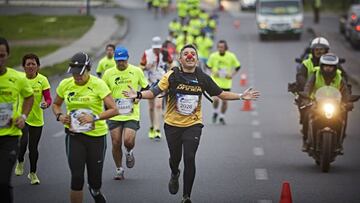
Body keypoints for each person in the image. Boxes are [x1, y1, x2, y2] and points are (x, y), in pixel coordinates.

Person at [123, 44, 259, 203]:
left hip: (193, 125)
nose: (190, 56)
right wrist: (138, 94)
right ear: (180, 60)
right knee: (175, 158)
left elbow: (221, 94)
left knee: (189, 157)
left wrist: (241, 96)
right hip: (172, 125)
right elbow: (154, 92)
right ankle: (175, 173)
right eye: (186, 54)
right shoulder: (171, 76)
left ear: (196, 59)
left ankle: (186, 196)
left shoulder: (202, 78)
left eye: (193, 54)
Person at [52, 52, 118, 203]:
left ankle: (95, 191)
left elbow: (114, 109)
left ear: (88, 69)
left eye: (80, 73)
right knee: (77, 178)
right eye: (74, 73)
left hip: (96, 137)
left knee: (95, 180)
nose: (77, 77)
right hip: (74, 136)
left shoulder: (98, 84)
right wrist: (60, 116)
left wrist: (93, 117)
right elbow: (56, 104)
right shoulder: (65, 84)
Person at [102, 46, 149, 180]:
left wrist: (138, 96)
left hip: (131, 113)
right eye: (118, 61)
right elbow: (103, 93)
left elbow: (147, 88)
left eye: (123, 60)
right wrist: (107, 108)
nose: (120, 63)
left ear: (127, 58)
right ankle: (119, 169)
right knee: (116, 142)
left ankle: (129, 151)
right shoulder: (108, 73)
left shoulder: (136, 71)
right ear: (115, 60)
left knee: (128, 141)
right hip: (114, 113)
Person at [0, 37, 34, 203]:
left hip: (9, 137)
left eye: (1, 55)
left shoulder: (17, 78)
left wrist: (23, 116)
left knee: (3, 182)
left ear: (7, 55)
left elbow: (29, 97)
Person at [14, 54, 52, 185]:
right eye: (28, 64)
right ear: (23, 67)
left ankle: (33, 173)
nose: (30, 66)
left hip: (37, 118)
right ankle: (20, 161)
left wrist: (46, 104)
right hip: (22, 117)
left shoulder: (43, 80)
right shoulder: (19, 79)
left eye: (33, 64)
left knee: (33, 147)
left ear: (38, 66)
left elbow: (48, 98)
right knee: (23, 143)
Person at [302, 53, 350, 152]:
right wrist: (305, 97)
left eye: (331, 66)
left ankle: (340, 142)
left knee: (344, 116)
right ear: (321, 66)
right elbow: (308, 86)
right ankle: (306, 140)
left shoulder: (339, 77)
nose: (328, 68)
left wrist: (348, 102)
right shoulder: (315, 74)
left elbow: (345, 91)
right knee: (306, 115)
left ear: (335, 67)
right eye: (326, 66)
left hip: (335, 104)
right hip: (317, 103)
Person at [140, 36, 173, 140]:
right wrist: (146, 67)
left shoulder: (165, 53)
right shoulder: (147, 53)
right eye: (155, 48)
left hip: (161, 82)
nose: (157, 50)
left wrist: (169, 72)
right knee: (151, 107)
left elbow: (171, 63)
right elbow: (140, 67)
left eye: (158, 48)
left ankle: (157, 130)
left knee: (158, 105)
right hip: (150, 82)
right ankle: (152, 127)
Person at [206, 40, 241, 125]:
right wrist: (213, 72)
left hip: (226, 82)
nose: (220, 48)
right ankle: (215, 112)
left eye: (222, 47)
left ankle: (222, 116)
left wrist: (232, 75)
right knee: (216, 99)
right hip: (215, 81)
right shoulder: (213, 56)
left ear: (226, 48)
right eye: (218, 47)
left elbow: (238, 66)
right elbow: (208, 65)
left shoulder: (231, 56)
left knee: (225, 101)